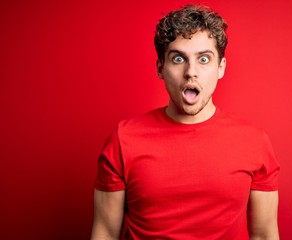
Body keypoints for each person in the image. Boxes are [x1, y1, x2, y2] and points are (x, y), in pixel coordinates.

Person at [91, 4, 280, 240]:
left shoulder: (254, 142)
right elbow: (105, 233)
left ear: (220, 67)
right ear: (161, 67)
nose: (191, 72)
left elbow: (263, 234)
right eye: (179, 58)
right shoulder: (123, 139)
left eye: (204, 59)